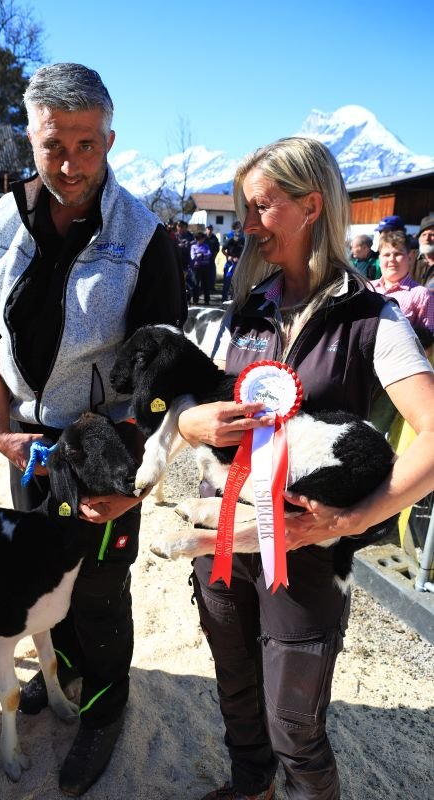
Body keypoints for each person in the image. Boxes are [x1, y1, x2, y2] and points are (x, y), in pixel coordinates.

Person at [176, 137, 434, 800]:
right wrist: (188, 423)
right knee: (236, 694)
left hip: (303, 555)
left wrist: (354, 518)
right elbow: (199, 402)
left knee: (294, 724)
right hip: (223, 542)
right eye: (245, 209)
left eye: (261, 207)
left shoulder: (372, 318)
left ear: (312, 206)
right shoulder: (245, 308)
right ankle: (252, 788)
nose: (248, 224)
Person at [0, 62, 187, 798]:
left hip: (102, 450)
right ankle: (58, 674)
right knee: (38, 572)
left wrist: (128, 474)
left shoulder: (145, 237)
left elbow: (161, 378)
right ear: (30, 138)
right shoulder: (2, 218)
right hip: (28, 445)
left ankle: (105, 707)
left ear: (110, 140)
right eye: (53, 145)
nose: (69, 164)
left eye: (86, 145)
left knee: (97, 590)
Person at [371, 231, 434, 337]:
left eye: (398, 254)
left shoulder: (421, 294)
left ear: (409, 258)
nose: (392, 259)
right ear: (379, 259)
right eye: (386, 255)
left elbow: (428, 339)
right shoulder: (368, 288)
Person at [410, 213, 434, 290]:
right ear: (419, 238)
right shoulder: (409, 257)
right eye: (424, 234)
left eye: (432, 235)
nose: (427, 238)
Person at [221, 226, 244, 302]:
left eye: (239, 235)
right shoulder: (230, 240)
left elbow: (245, 252)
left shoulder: (243, 241)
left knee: (237, 282)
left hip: (239, 264)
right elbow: (223, 249)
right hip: (230, 264)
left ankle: (234, 298)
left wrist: (239, 258)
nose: (237, 237)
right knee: (227, 281)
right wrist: (228, 256)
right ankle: (224, 298)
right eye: (236, 235)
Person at [190, 230, 213, 304]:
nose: (203, 239)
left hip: (205, 267)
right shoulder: (193, 246)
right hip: (196, 268)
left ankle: (207, 300)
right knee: (196, 284)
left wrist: (201, 255)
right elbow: (193, 257)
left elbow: (209, 254)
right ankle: (195, 300)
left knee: (206, 283)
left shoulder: (206, 246)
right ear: (199, 239)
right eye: (202, 238)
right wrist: (201, 255)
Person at [205, 223, 220, 290]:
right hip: (203, 259)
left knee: (212, 273)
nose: (209, 230)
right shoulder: (203, 237)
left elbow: (217, 249)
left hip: (211, 259)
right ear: (206, 229)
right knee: (203, 274)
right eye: (208, 229)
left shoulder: (215, 238)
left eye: (211, 229)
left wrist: (214, 256)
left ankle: (211, 287)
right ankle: (202, 287)